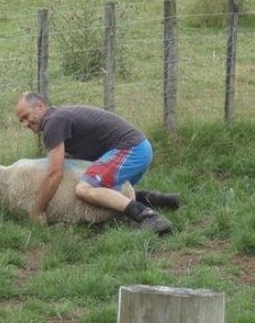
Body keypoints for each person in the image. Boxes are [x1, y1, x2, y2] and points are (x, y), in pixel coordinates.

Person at [14, 92, 178, 233]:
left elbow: (54, 174)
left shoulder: (53, 123)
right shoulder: (58, 117)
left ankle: (148, 216)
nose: (25, 124)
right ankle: (155, 199)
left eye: (26, 116)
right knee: (102, 193)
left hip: (130, 150)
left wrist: (37, 210)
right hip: (138, 147)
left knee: (85, 189)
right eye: (21, 121)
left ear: (40, 106)